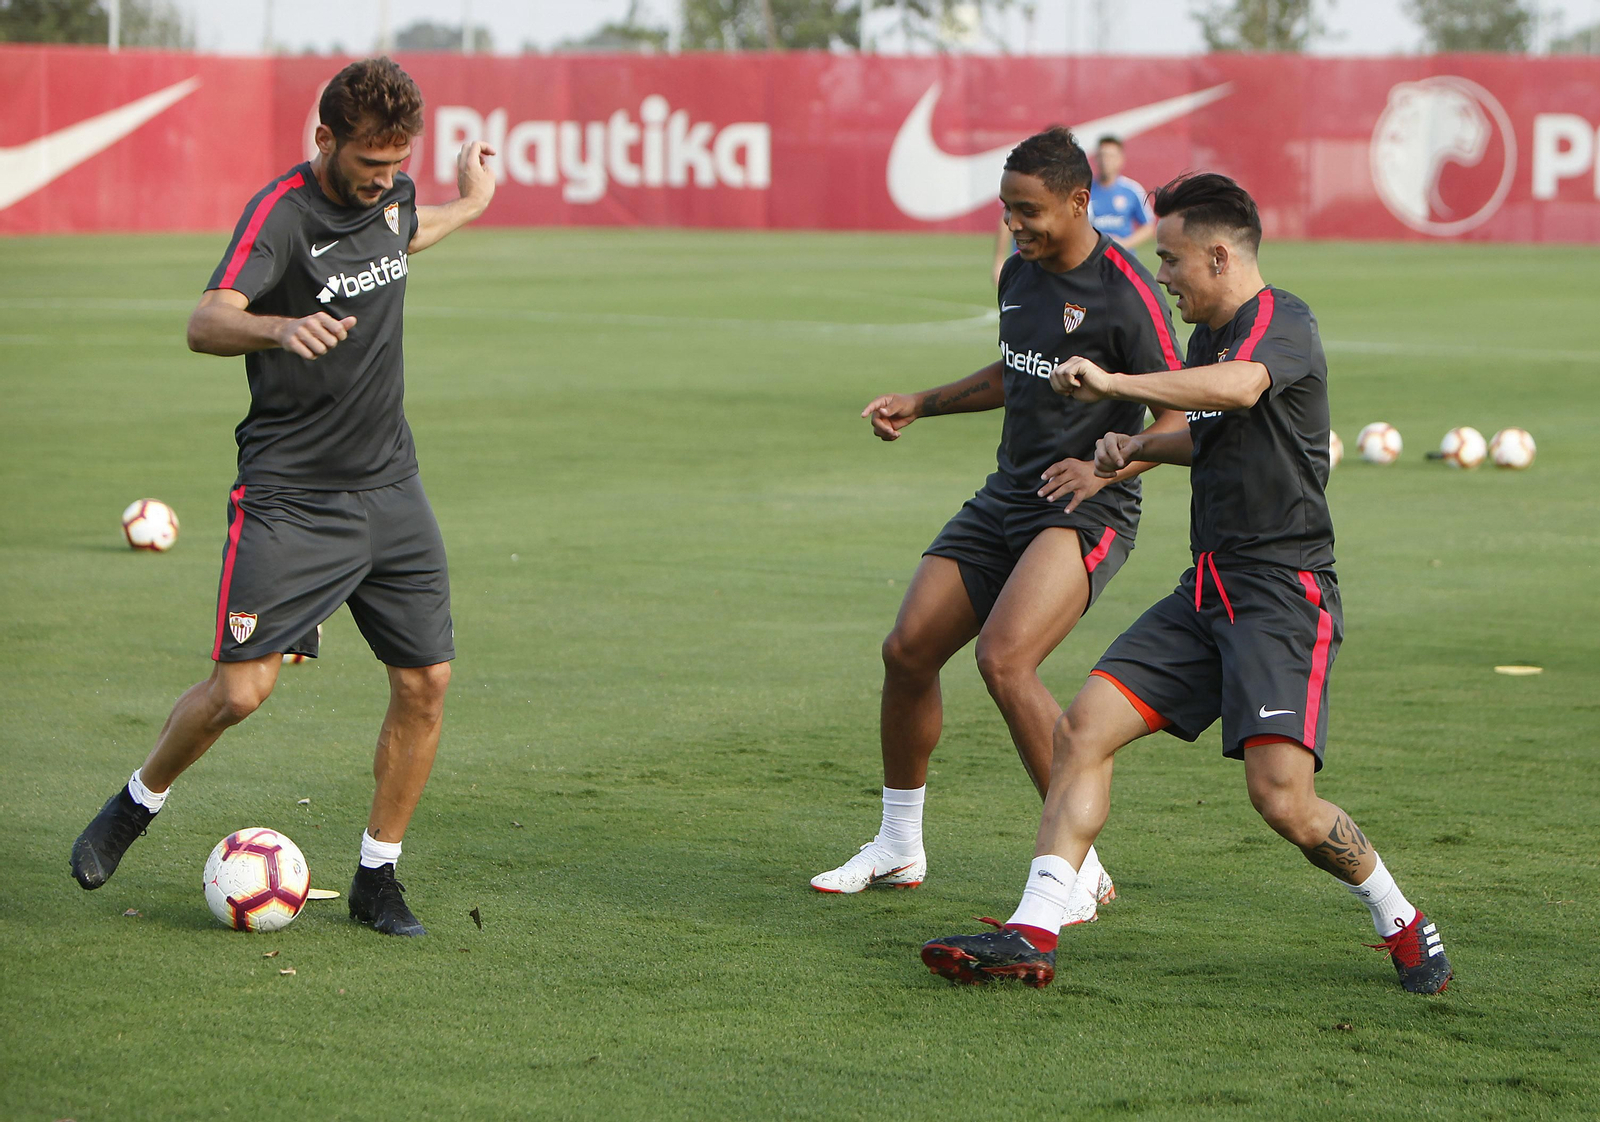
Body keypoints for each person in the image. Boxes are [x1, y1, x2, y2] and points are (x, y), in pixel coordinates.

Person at [920, 173, 1452, 995]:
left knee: (1284, 802)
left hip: (1282, 598)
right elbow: (1208, 435)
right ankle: (1034, 931)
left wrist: (1116, 387)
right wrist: (1131, 452)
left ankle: (1403, 919)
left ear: (1217, 253)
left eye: (1169, 260)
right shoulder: (1206, 344)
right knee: (1082, 731)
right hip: (1205, 591)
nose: (1162, 276)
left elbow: (1240, 389)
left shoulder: (1283, 321)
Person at [69, 57, 497, 938]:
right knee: (240, 692)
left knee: (427, 681)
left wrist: (473, 203)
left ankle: (379, 879)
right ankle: (134, 803)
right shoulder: (283, 215)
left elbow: (403, 234)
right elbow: (206, 318)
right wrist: (280, 324)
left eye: (395, 166)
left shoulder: (393, 194)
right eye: (370, 165)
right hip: (291, 497)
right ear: (324, 139)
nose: (385, 181)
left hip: (391, 487)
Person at [812, 128, 1188, 922]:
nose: (1014, 226)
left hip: (1090, 507)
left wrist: (1105, 467)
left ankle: (1074, 868)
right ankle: (898, 844)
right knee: (907, 650)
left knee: (1005, 660)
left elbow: (1179, 413)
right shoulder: (1020, 272)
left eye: (1030, 211)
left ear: (1079, 202)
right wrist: (925, 401)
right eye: (1007, 210)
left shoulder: (1126, 289)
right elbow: (1014, 370)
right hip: (1007, 495)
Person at [1088, 136, 1154, 249]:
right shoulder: (1084, 190)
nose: (1106, 161)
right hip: (1092, 259)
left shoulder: (1132, 190)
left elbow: (1148, 226)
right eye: (1102, 155)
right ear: (1096, 159)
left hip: (1122, 259)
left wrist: (1125, 244)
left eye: (1111, 156)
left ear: (1120, 159)